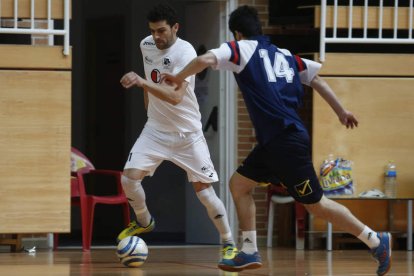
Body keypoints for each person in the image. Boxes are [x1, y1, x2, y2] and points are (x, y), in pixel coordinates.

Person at [162, 5, 392, 275]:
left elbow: (206, 60)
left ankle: (375, 240)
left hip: (285, 142)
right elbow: (317, 80)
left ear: (237, 33)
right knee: (239, 185)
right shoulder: (286, 55)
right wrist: (341, 111)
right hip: (274, 143)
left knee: (316, 205)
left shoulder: (241, 48)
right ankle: (248, 250)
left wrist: (178, 78)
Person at [117, 3, 237, 266]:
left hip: (187, 134)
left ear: (175, 28)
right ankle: (144, 222)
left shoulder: (185, 52)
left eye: (162, 31)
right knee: (129, 179)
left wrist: (141, 82)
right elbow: (151, 81)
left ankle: (229, 243)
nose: (157, 37)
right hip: (155, 131)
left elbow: (174, 96)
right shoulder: (146, 45)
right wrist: (149, 109)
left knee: (204, 192)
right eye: (153, 31)